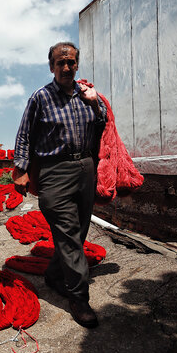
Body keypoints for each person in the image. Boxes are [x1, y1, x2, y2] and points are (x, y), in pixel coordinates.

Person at [13, 42, 107, 328]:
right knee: (67, 233)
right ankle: (78, 297)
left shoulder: (87, 94)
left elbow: (104, 125)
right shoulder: (41, 97)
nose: (66, 67)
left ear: (77, 64)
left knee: (77, 233)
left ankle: (54, 275)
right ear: (51, 66)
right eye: (60, 63)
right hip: (54, 172)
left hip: (85, 168)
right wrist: (21, 170)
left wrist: (96, 102)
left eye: (71, 62)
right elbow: (25, 134)